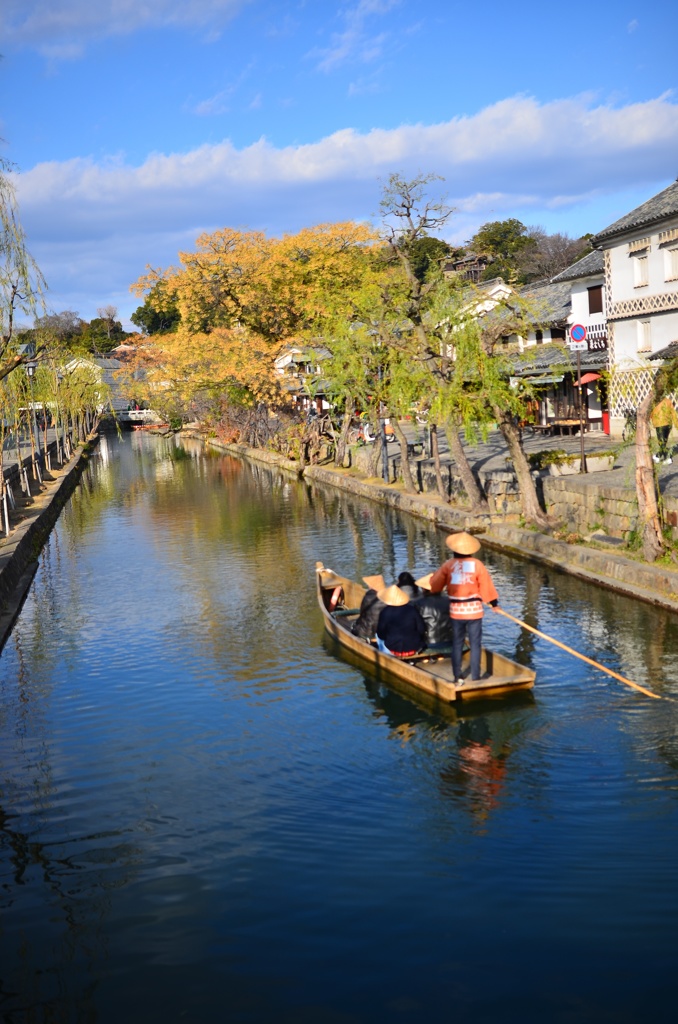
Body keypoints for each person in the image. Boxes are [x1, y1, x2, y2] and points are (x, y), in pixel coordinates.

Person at [429, 532, 499, 685]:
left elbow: (435, 586)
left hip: (457, 612)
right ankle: (475, 677)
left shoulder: (448, 565)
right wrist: (494, 603)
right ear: (471, 551)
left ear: (453, 549)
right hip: (474, 611)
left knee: (457, 643)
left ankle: (457, 676)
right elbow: (486, 586)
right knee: (475, 644)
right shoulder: (478, 565)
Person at [375, 585, 427, 658]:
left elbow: (381, 634)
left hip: (393, 649)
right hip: (414, 648)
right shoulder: (412, 610)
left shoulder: (385, 612)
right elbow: (421, 629)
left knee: (377, 636)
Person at [412, 575, 454, 646]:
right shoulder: (449, 601)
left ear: (423, 589)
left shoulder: (418, 603)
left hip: (428, 642)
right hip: (449, 640)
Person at [351, 575, 386, 639]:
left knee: (354, 626)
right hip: (382, 632)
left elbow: (362, 614)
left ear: (372, 586)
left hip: (366, 632)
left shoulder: (368, 597)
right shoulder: (387, 599)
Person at [650, 397, 678, 464]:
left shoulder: (654, 403)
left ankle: (667, 458)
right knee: (663, 443)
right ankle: (657, 456)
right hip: (668, 425)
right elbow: (673, 413)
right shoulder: (668, 401)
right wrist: (676, 424)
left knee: (662, 443)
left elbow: (650, 414)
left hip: (659, 424)